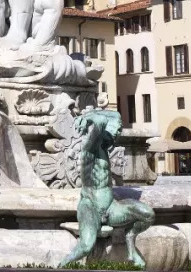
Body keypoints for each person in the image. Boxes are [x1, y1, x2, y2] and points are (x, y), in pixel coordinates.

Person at [59, 110, 154, 267]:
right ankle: (61, 265)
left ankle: (130, 239)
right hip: (91, 206)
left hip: (111, 207)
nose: (116, 133)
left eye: (118, 130)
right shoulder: (89, 150)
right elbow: (101, 122)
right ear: (102, 132)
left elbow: (116, 116)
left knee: (148, 215)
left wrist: (94, 114)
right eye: (114, 130)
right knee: (87, 246)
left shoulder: (103, 150)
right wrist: (89, 117)